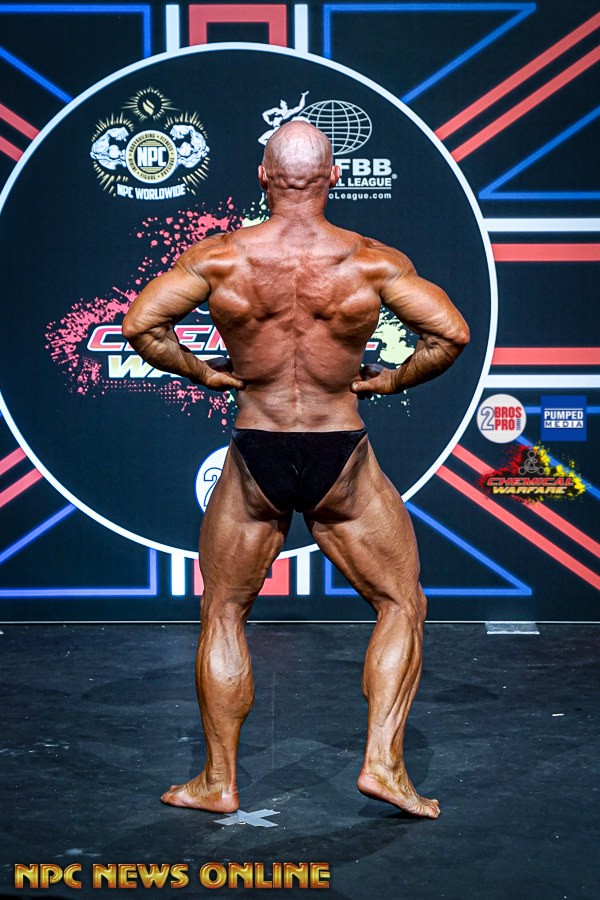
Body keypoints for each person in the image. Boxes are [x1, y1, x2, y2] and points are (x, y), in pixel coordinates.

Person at [122, 121, 469, 819]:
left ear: (263, 176)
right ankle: (383, 766)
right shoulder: (370, 261)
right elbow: (451, 334)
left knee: (224, 609)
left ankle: (218, 782)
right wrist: (389, 381)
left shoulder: (221, 257)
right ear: (334, 177)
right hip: (340, 449)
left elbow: (139, 326)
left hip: (259, 447)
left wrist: (206, 373)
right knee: (401, 603)